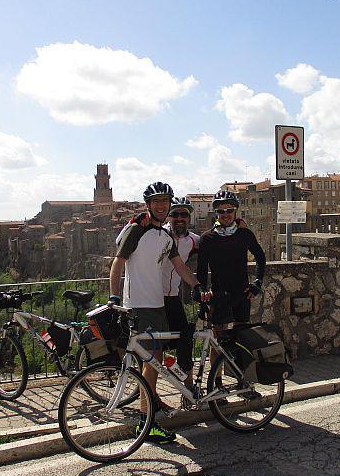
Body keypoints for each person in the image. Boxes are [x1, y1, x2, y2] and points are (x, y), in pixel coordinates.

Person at [109, 182, 203, 444]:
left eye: (165, 201)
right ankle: (146, 421)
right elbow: (118, 263)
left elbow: (180, 266)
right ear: (148, 204)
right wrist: (114, 296)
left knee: (154, 361)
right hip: (139, 305)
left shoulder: (166, 237)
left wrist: (197, 286)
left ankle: (149, 407)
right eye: (157, 201)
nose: (162, 205)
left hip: (158, 305)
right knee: (151, 363)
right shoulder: (136, 229)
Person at [197, 190, 266, 328]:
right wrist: (202, 295)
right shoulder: (207, 238)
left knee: (241, 337)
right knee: (218, 339)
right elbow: (202, 269)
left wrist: (257, 282)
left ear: (235, 211)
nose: (225, 214)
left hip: (242, 294)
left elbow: (260, 256)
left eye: (229, 210)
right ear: (216, 213)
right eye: (221, 211)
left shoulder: (244, 234)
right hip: (219, 295)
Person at [161, 197, 199, 399]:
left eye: (183, 214)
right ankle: (150, 397)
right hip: (153, 298)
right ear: (169, 216)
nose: (179, 218)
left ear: (189, 217)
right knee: (154, 345)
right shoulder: (159, 234)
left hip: (174, 297)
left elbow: (213, 242)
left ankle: (188, 387)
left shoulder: (193, 240)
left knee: (185, 339)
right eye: (175, 214)